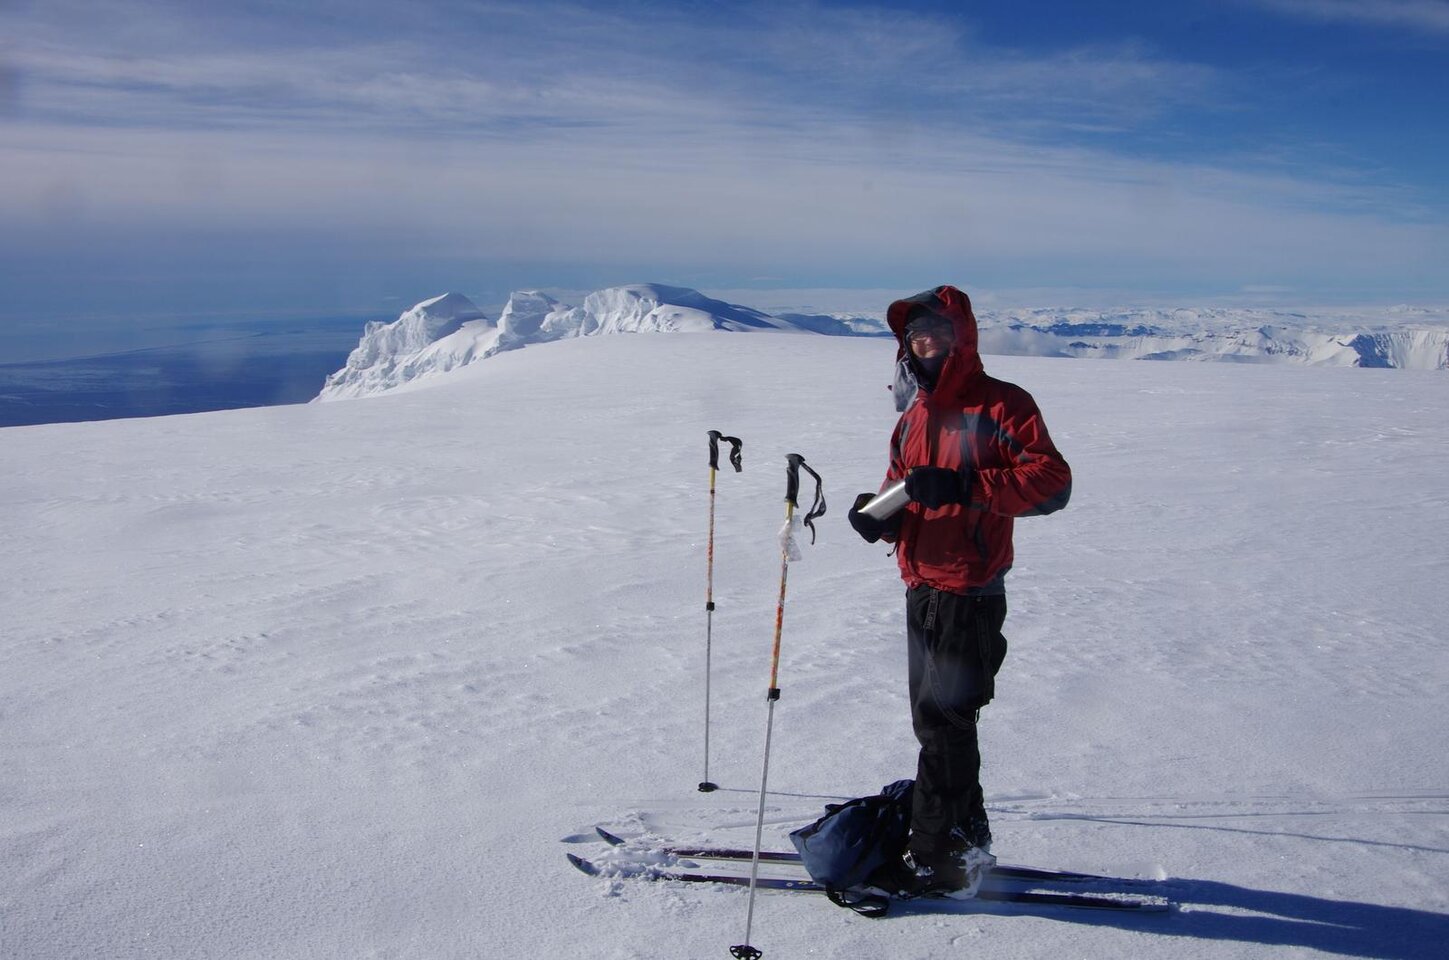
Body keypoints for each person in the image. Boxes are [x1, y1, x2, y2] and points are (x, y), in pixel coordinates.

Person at [848, 284, 1072, 898]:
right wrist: (879, 515)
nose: (926, 343)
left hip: (969, 591)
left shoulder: (1001, 405)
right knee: (943, 724)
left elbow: (1052, 483)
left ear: (962, 339)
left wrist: (965, 486)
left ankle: (939, 862)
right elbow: (905, 484)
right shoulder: (914, 415)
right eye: (916, 335)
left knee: (944, 725)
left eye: (938, 333)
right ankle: (964, 847)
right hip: (920, 586)